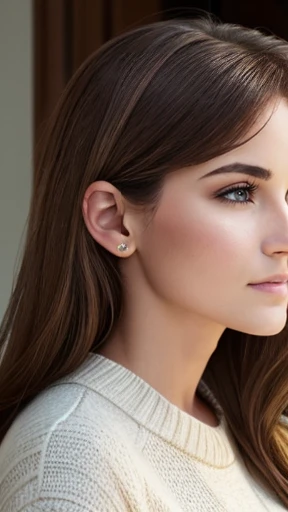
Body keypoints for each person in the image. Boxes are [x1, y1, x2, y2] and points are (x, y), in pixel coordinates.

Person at [0, 14, 288, 511]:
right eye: (239, 192)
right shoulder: (73, 459)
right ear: (114, 220)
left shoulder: (262, 438)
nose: (284, 236)